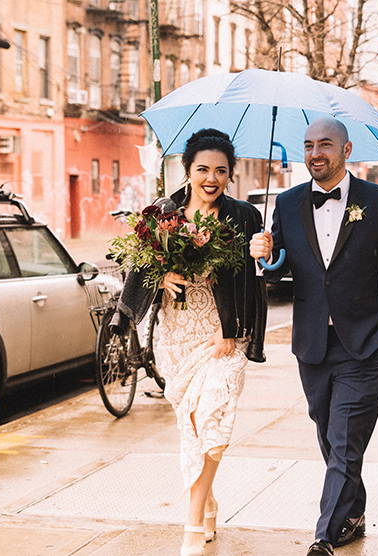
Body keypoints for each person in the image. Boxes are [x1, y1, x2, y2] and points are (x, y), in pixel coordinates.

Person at [249, 116, 378, 556]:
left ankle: (324, 536)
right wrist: (263, 256)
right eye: (307, 145)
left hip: (366, 344)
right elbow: (278, 269)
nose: (314, 153)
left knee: (343, 441)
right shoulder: (285, 203)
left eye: (324, 144)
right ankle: (353, 511)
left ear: (346, 150)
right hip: (312, 346)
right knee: (329, 435)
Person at [111, 128, 267, 556]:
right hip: (178, 337)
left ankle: (193, 525)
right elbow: (135, 267)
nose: (211, 178)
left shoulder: (244, 217)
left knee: (212, 417)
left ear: (230, 174)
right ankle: (210, 500)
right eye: (203, 169)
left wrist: (264, 253)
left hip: (225, 337)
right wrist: (160, 276)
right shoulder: (163, 214)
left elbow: (259, 280)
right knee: (193, 425)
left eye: (220, 170)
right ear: (188, 170)